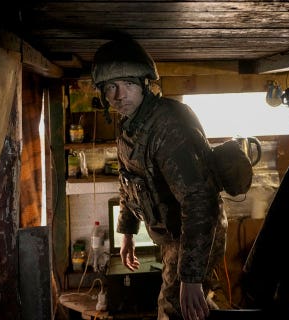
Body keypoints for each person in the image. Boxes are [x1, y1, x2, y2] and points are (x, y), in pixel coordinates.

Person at [91, 36, 227, 320]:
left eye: (128, 85)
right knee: (188, 306)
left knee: (176, 308)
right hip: (173, 235)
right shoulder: (131, 125)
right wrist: (127, 233)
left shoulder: (168, 126)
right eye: (110, 87)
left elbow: (199, 199)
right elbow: (129, 182)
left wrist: (190, 277)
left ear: (145, 85)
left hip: (194, 234)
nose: (119, 96)